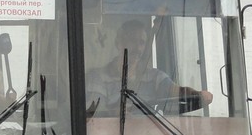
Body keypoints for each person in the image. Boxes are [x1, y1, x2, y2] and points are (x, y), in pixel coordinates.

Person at [85, 19, 213, 117]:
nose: (138, 48)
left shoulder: (155, 77)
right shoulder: (98, 78)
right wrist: (114, 114)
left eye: (141, 43)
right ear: (119, 43)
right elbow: (93, 115)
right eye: (133, 41)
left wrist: (197, 94)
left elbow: (175, 91)